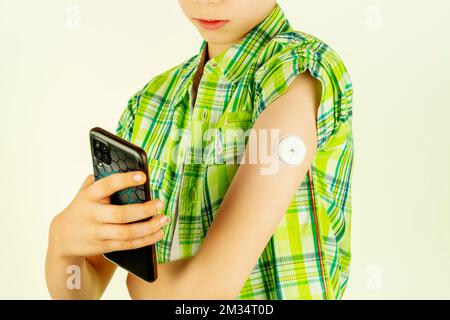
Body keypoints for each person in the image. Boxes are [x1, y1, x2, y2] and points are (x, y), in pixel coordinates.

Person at [46, 0, 353, 300]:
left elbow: (209, 289)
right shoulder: (151, 102)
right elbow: (81, 292)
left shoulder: (298, 70)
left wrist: (138, 285)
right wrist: (64, 245)